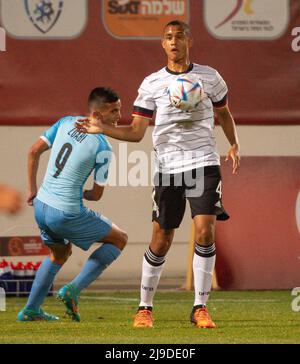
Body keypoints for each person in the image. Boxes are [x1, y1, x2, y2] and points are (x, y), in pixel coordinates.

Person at [76, 20, 241, 329]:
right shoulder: (151, 83)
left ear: (189, 40)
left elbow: (223, 114)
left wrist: (233, 143)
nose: (174, 42)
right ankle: (145, 308)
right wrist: (103, 128)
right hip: (168, 168)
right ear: (163, 44)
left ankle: (200, 308)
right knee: (161, 238)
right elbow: (137, 132)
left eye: (179, 36)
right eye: (168, 38)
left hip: (203, 162)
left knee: (205, 230)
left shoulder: (210, 78)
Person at [17, 87, 128, 322]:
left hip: (41, 206)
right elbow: (96, 195)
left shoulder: (66, 122)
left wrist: (32, 189)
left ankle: (31, 310)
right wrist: (84, 193)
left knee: (59, 254)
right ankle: (73, 289)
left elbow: (33, 151)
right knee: (119, 239)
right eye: (114, 110)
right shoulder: (103, 147)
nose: (120, 115)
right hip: (65, 212)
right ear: (97, 113)